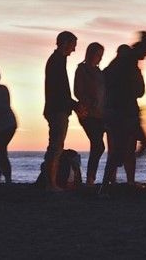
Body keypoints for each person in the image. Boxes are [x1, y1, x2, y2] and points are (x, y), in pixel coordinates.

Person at [102, 31, 146, 185]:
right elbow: (139, 90)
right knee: (121, 150)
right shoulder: (128, 62)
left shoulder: (124, 63)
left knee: (125, 149)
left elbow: (138, 90)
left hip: (122, 111)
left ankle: (115, 182)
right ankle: (107, 185)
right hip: (122, 113)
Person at [44, 31, 81, 191]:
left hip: (57, 108)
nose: (73, 50)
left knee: (55, 145)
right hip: (57, 109)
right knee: (56, 146)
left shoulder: (58, 60)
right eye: (73, 45)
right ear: (65, 43)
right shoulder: (57, 61)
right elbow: (60, 90)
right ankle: (50, 183)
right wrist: (74, 105)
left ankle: (50, 181)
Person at [74, 42, 105, 185]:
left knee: (97, 145)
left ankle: (92, 178)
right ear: (90, 53)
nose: (99, 58)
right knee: (98, 145)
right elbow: (78, 91)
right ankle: (90, 178)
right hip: (88, 113)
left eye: (101, 55)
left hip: (101, 113)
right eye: (97, 54)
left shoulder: (99, 72)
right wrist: (89, 103)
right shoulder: (82, 69)